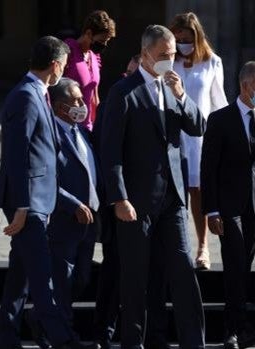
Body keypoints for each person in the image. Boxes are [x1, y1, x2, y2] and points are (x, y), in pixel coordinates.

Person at [100, 25, 206, 349]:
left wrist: (182, 96)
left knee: (183, 270)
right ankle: (133, 342)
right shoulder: (124, 92)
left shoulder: (172, 87)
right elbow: (110, 150)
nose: (169, 60)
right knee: (135, 279)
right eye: (163, 55)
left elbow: (198, 126)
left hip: (172, 197)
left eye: (172, 55)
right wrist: (118, 197)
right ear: (145, 54)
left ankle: (193, 342)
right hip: (137, 199)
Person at [0, 36, 89, 349]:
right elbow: (17, 155)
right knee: (42, 276)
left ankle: (7, 339)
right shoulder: (26, 96)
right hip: (28, 202)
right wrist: (21, 205)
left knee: (19, 276)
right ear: (56, 64)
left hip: (39, 199)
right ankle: (63, 340)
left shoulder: (38, 93)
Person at [201, 61, 255, 349]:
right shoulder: (220, 119)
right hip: (227, 206)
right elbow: (208, 168)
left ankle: (241, 326)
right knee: (233, 264)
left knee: (243, 266)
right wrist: (211, 209)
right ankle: (233, 329)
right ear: (246, 86)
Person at [170, 12, 228, 270]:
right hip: (172, 135)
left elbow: (218, 101)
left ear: (197, 37)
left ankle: (203, 246)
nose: (182, 43)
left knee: (198, 190)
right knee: (174, 192)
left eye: (187, 38)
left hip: (200, 136)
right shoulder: (169, 61)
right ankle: (175, 247)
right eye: (178, 38)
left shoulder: (212, 62)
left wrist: (225, 135)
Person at [90, 55, 140, 349]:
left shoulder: (159, 98)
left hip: (148, 202)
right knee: (113, 269)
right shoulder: (114, 99)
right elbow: (104, 152)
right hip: (118, 202)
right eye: (130, 74)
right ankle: (104, 332)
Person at [47, 77, 101, 337]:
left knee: (82, 278)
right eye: (76, 100)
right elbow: (45, 180)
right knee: (63, 279)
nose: (82, 103)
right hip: (65, 219)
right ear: (59, 107)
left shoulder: (82, 131)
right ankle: (64, 334)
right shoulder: (50, 134)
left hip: (90, 220)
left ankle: (40, 316)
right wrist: (73, 204)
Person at [64, 10, 116, 130]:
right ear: (88, 33)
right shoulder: (68, 50)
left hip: (88, 126)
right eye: (102, 40)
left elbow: (94, 95)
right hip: (69, 124)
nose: (105, 44)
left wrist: (97, 124)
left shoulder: (94, 56)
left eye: (107, 41)